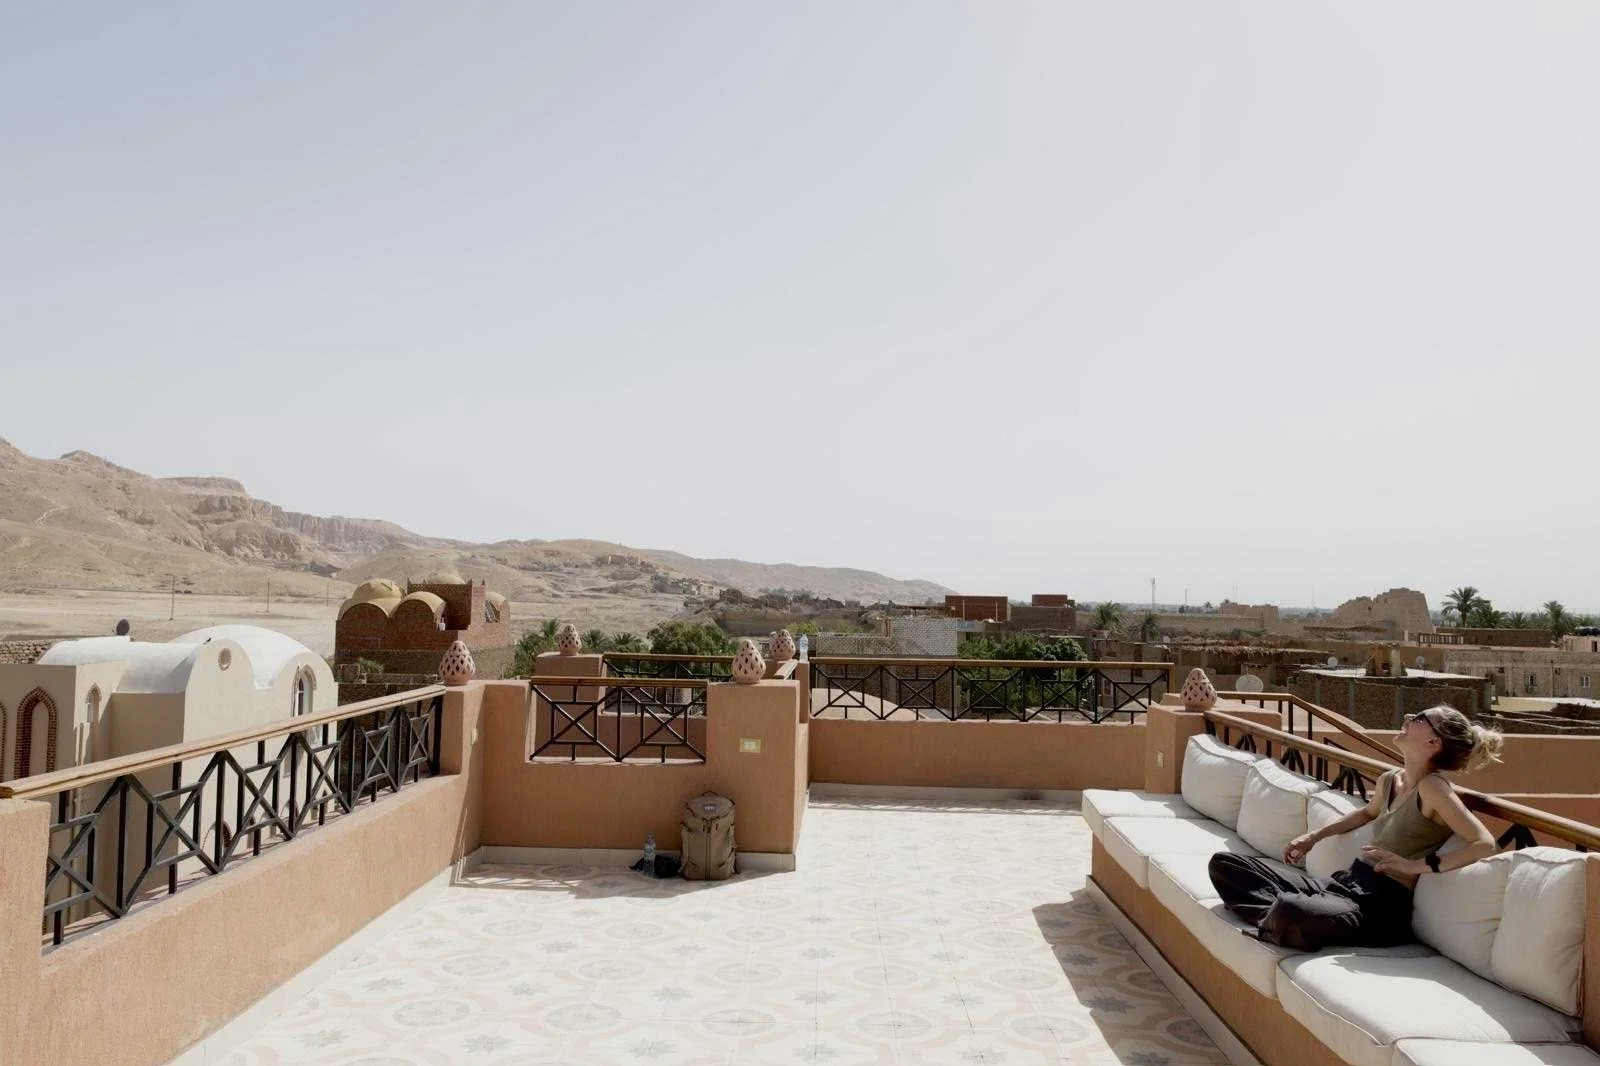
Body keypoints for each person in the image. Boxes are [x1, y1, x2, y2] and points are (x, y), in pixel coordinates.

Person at [1208, 704, 1504, 951]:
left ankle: (1286, 919)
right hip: (1346, 883)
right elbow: (1366, 813)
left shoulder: (1434, 789)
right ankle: (1285, 923)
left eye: (1419, 719)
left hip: (1379, 907)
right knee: (1224, 864)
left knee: (1290, 908)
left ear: (1433, 742)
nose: (1407, 719)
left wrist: (1415, 867)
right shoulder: (1391, 780)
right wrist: (1313, 837)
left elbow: (1484, 843)